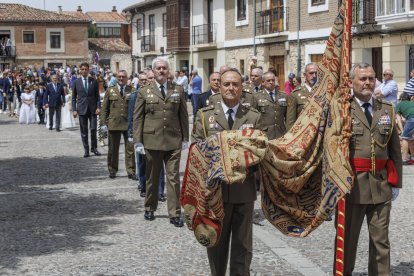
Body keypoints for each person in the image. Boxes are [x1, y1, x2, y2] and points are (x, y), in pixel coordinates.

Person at [333, 63, 402, 276]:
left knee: (381, 242)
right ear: (351, 81)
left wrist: (396, 182)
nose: (368, 83)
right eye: (362, 79)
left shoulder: (386, 108)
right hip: (351, 188)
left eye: (371, 78)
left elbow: (394, 150)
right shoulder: (342, 109)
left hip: (380, 185)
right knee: (347, 242)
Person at [192, 68, 261, 276]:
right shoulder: (205, 117)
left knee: (242, 247)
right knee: (216, 246)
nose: (231, 88)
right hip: (216, 194)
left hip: (243, 192)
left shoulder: (253, 117)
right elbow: (196, 149)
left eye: (235, 84)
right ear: (219, 87)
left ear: (242, 87)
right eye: (227, 84)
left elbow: (261, 152)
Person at [133, 58, 189, 226]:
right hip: (152, 141)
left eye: (164, 68)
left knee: (173, 178)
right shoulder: (144, 91)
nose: (162, 71)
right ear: (154, 70)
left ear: (168, 71)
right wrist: (138, 141)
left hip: (173, 141)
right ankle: (150, 207)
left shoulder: (177, 90)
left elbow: (183, 116)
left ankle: (174, 213)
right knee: (152, 176)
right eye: (159, 68)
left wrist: (186, 137)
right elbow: (138, 118)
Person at [128, 72, 166, 199]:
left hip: (157, 135)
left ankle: (160, 191)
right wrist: (132, 134)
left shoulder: (161, 93)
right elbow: (133, 117)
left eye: (150, 78)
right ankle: (144, 187)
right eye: (145, 79)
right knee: (143, 163)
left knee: (159, 165)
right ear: (140, 81)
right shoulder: (136, 95)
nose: (147, 81)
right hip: (142, 135)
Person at [101, 70, 135, 179]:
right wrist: (103, 123)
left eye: (123, 77)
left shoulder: (133, 90)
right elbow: (104, 108)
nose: (121, 79)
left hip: (128, 124)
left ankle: (131, 171)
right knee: (112, 149)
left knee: (130, 149)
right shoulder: (110, 90)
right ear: (116, 78)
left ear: (127, 78)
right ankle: (112, 170)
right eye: (119, 77)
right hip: (114, 123)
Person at [72, 62, 101, 158]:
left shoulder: (94, 81)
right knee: (84, 130)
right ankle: (86, 150)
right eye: (82, 69)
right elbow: (73, 97)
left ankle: (94, 148)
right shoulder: (76, 82)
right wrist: (74, 109)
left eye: (86, 69)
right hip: (81, 109)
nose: (84, 71)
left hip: (93, 109)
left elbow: (97, 96)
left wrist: (98, 107)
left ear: (88, 70)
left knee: (93, 129)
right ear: (80, 70)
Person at [252, 71, 288, 140]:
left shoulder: (283, 95)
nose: (271, 82)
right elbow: (254, 117)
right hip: (265, 134)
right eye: (268, 80)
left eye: (273, 80)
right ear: (263, 82)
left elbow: (287, 116)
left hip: (281, 133)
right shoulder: (257, 97)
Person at [286, 62, 318, 130]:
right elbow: (290, 121)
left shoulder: (322, 93)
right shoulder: (295, 94)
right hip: (302, 133)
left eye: (316, 73)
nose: (314, 76)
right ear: (305, 75)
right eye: (311, 73)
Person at [396, 93, 414, 165]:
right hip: (411, 119)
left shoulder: (399, 105)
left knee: (405, 138)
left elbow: (398, 119)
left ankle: (404, 159)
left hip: (412, 119)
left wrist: (402, 131)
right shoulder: (411, 103)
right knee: (411, 140)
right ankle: (413, 157)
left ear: (401, 99)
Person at [97, 75, 107, 146]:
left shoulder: (106, 90)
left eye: (102, 81)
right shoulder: (95, 90)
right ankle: (100, 139)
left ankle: (103, 138)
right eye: (99, 82)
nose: (100, 83)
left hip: (105, 109)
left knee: (105, 125)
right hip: (98, 109)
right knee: (98, 125)